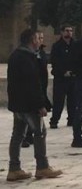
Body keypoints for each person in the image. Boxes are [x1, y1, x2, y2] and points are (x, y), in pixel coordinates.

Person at [6, 29, 63, 182]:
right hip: (29, 104)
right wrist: (40, 105)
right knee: (40, 132)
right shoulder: (27, 58)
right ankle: (42, 166)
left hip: (18, 103)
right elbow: (33, 84)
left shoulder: (16, 55)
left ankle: (14, 168)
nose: (40, 41)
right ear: (33, 40)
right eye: (38, 38)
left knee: (17, 135)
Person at [50, 24, 75, 129]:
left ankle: (72, 120)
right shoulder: (57, 46)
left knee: (73, 101)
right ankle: (54, 120)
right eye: (67, 30)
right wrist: (63, 72)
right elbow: (54, 62)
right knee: (58, 101)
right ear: (62, 32)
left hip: (73, 78)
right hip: (60, 78)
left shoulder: (75, 45)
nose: (69, 33)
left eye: (70, 31)